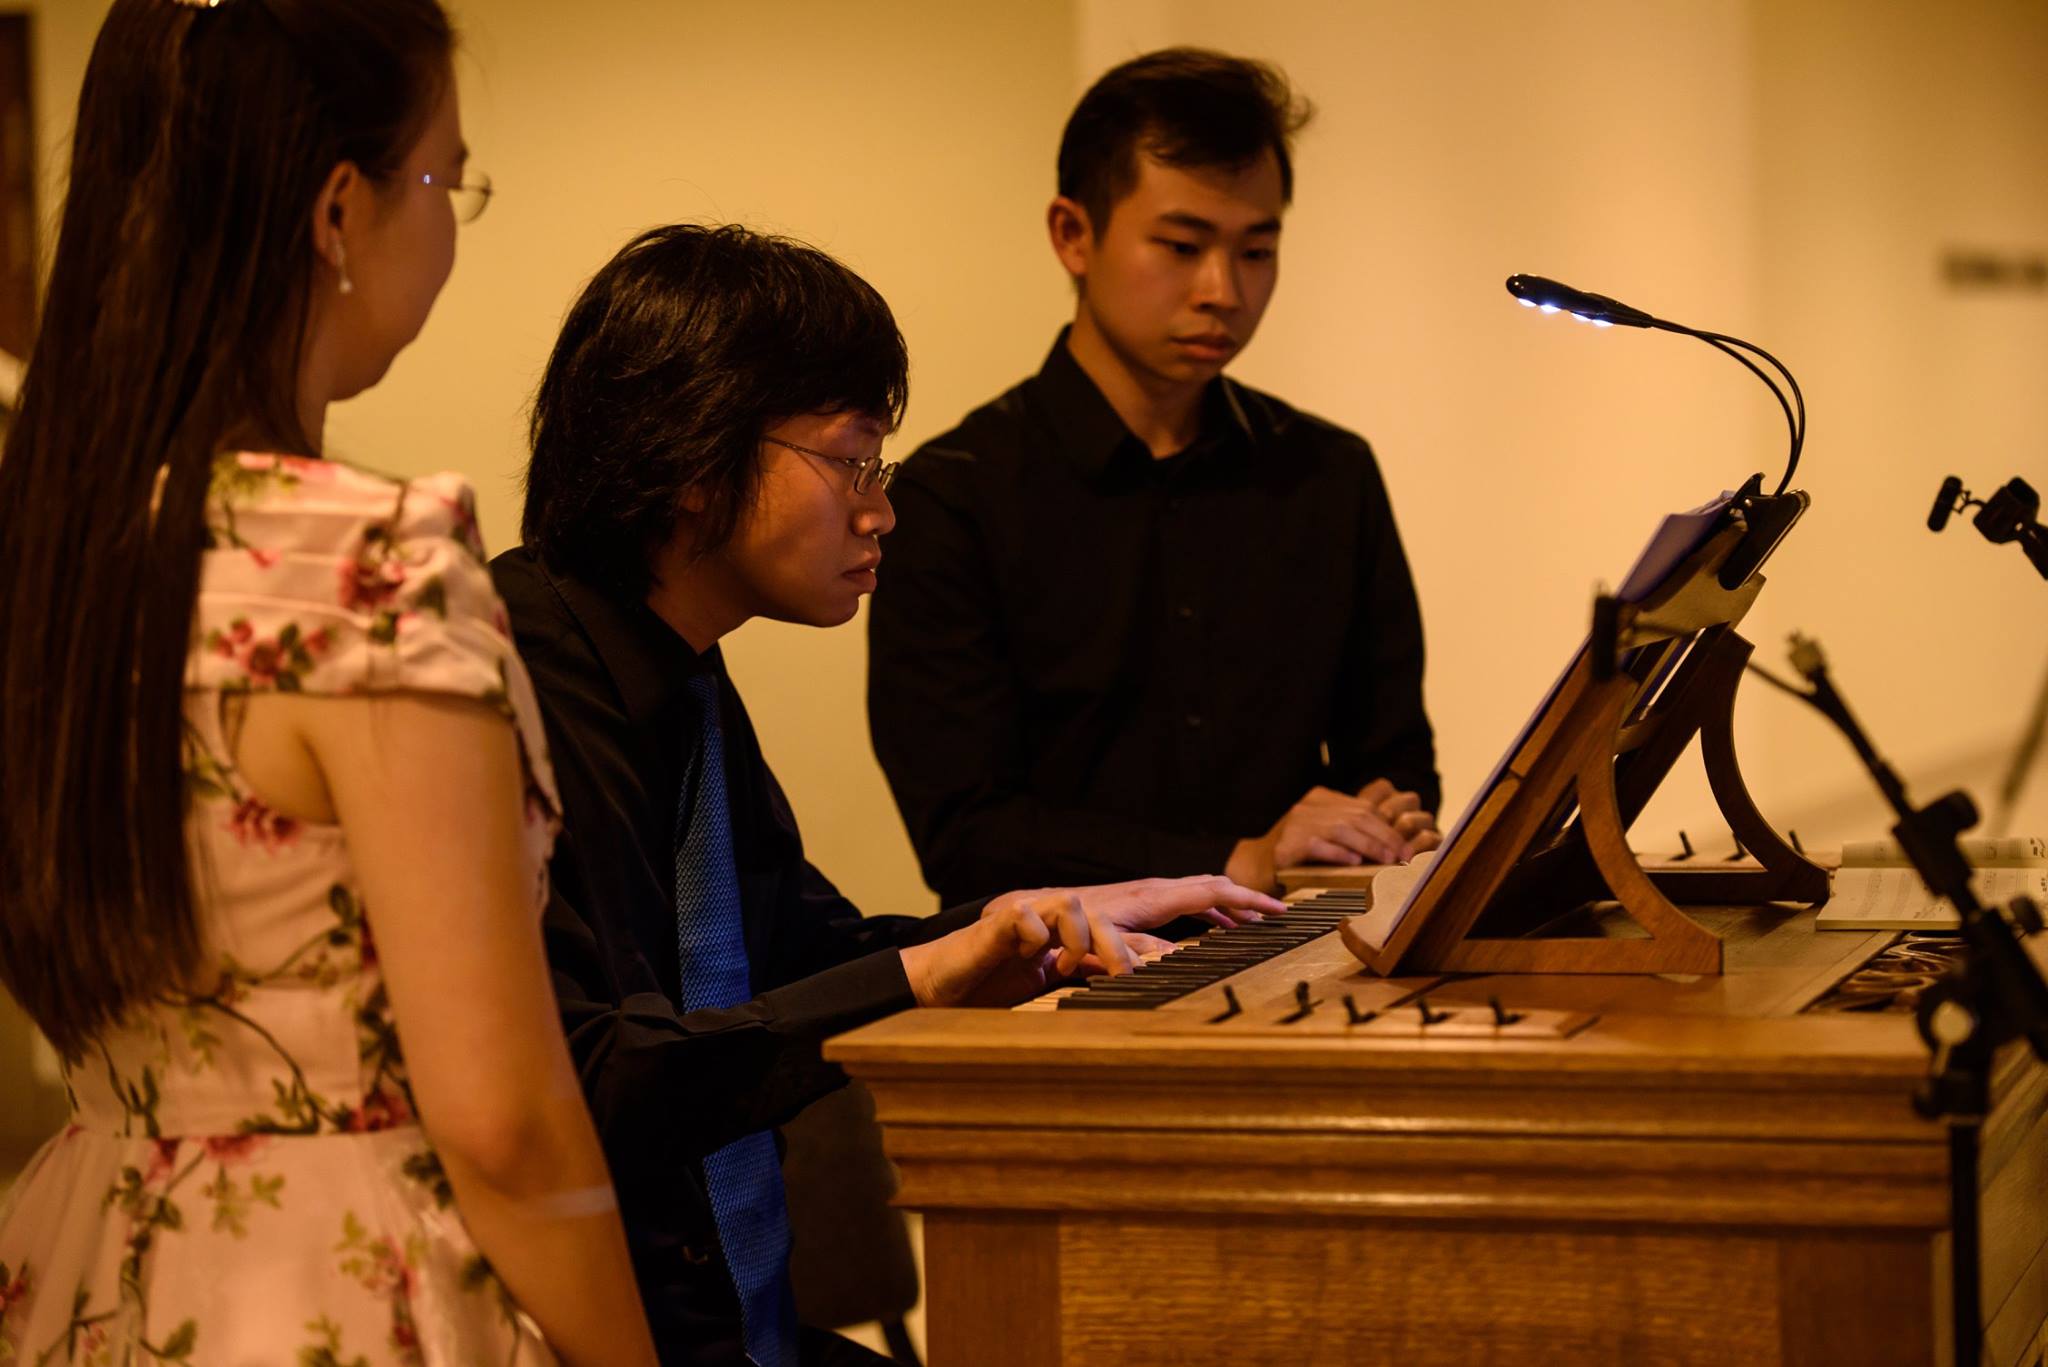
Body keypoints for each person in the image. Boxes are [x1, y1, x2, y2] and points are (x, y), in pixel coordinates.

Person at [491, 222, 1283, 1367]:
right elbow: (602, 1072)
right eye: (852, 461)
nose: (880, 510)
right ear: (694, 453)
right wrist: (930, 967)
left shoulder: (687, 672)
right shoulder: (520, 669)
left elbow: (810, 955)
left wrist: (1046, 923)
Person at [0, 3, 656, 1363]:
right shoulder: (360, 560)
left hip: (86, 1255)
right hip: (335, 1280)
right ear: (339, 210)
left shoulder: (49, 552)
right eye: (445, 175)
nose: (452, 220)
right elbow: (505, 1119)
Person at [868, 48, 1444, 908]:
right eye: (1182, 245)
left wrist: (1385, 818)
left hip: (1307, 960)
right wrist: (1240, 857)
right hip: (1063, 985)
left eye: (1257, 250)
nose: (1223, 290)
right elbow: (967, 836)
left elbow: (1393, 758)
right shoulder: (954, 493)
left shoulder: (1330, 474)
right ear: (1073, 234)